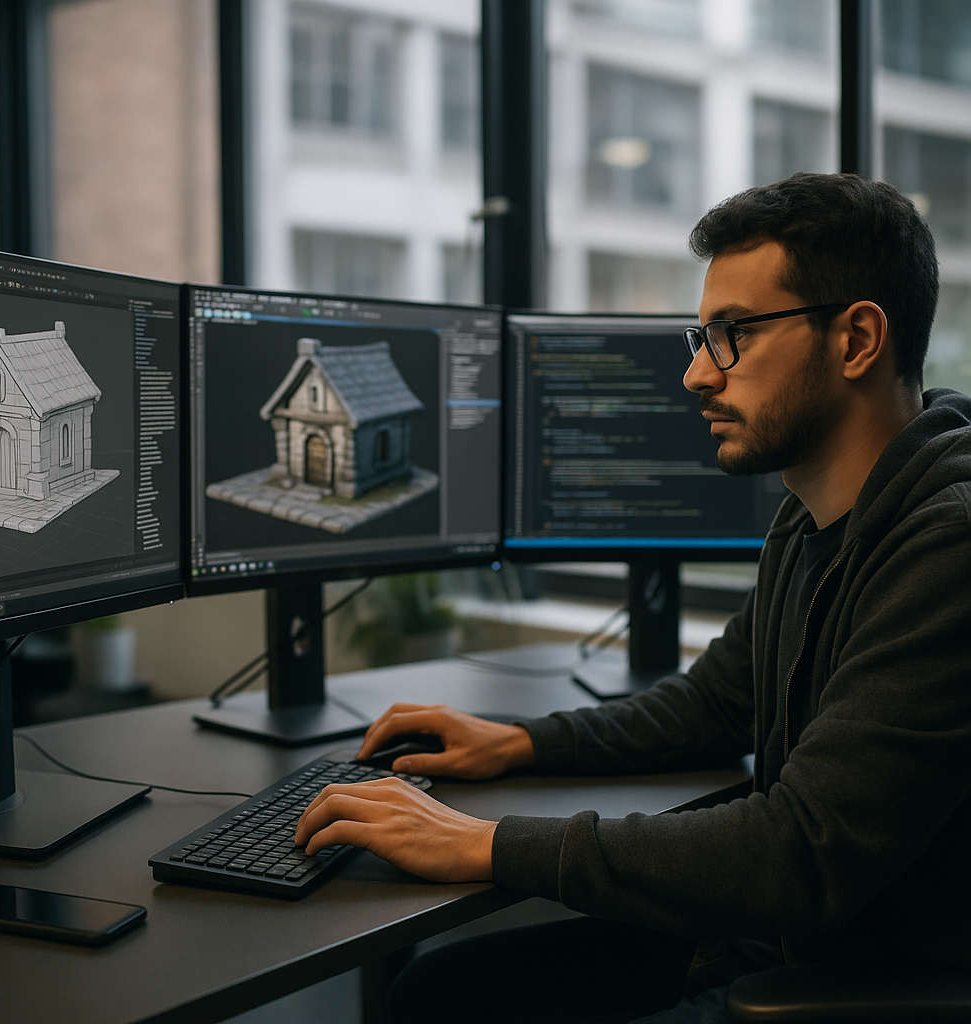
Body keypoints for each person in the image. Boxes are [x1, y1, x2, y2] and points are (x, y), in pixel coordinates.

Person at [294, 173, 971, 1023]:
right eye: (704, 335)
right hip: (777, 944)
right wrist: (517, 743)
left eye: (732, 335)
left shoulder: (948, 543)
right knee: (436, 989)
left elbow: (802, 852)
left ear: (857, 339)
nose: (696, 373)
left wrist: (486, 844)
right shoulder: (814, 518)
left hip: (861, 983)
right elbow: (720, 699)